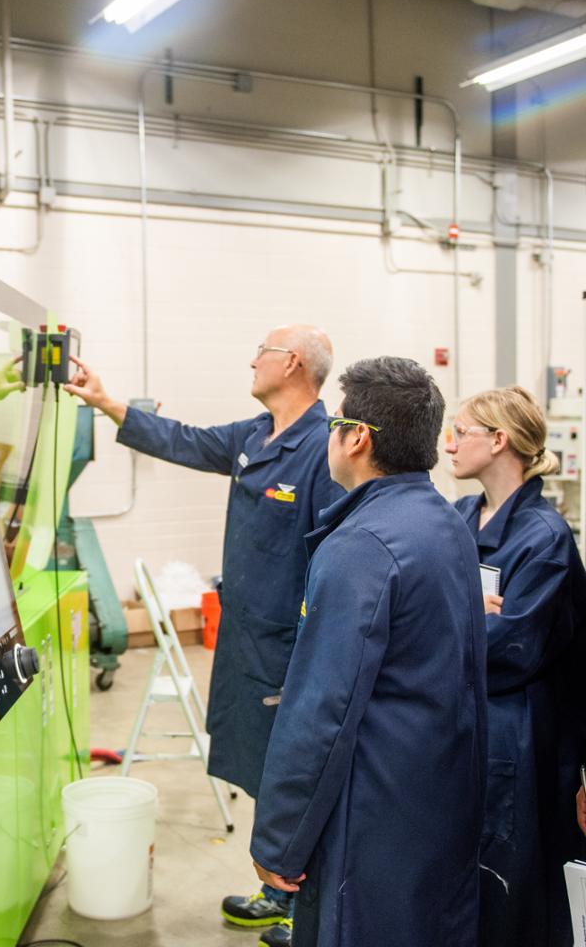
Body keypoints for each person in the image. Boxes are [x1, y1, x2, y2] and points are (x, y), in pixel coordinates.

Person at [65, 325, 342, 943]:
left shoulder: (323, 449)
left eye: (261, 351)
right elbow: (183, 441)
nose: (251, 360)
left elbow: (332, 557)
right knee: (263, 774)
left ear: (291, 363)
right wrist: (108, 402)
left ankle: (309, 911)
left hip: (288, 650)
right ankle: (278, 891)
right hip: (244, 642)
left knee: (298, 779)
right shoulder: (253, 435)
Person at [250, 357, 487, 947]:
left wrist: (279, 838)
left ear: (356, 438)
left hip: (372, 806)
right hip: (438, 794)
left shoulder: (361, 546)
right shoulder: (445, 520)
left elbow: (321, 710)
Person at [445, 386, 586, 947]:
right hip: (468, 721)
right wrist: (465, 610)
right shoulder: (459, 515)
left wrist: (454, 617)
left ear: (499, 440)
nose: (449, 445)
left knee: (515, 882)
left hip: (522, 736)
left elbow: (510, 649)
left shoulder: (543, 539)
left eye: (462, 431)